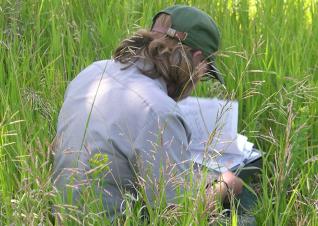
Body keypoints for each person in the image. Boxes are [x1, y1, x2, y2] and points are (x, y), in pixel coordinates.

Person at [52, 5, 243, 219]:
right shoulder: (158, 110)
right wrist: (226, 185)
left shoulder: (93, 71)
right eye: (204, 73)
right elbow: (177, 215)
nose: (198, 82)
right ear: (196, 58)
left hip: (62, 213)